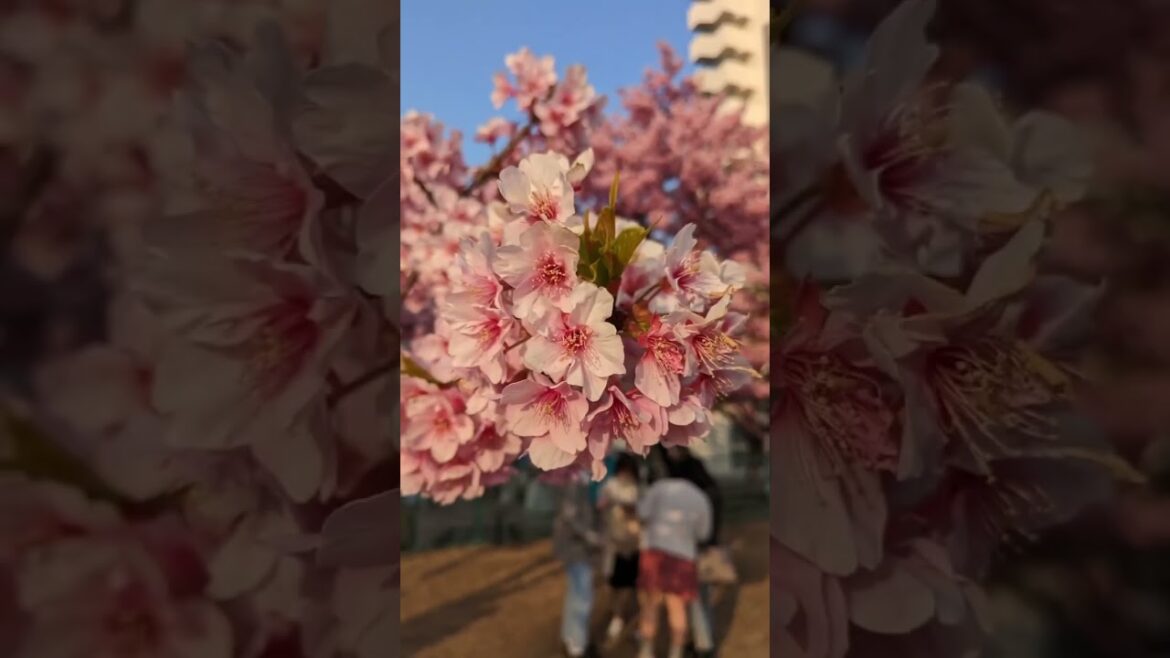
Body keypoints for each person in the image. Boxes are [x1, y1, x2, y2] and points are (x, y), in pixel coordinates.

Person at [635, 455, 713, 658]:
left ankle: (646, 651)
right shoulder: (700, 497)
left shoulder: (659, 488)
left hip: (654, 552)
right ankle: (675, 652)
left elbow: (642, 514)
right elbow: (703, 534)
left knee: (651, 605)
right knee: (677, 608)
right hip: (683, 556)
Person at [667, 447, 722, 658]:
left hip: (691, 551)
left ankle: (704, 646)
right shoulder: (711, 492)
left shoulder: (691, 497)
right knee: (703, 599)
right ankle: (703, 641)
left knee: (696, 601)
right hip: (706, 548)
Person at [552, 471, 602, 658]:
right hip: (576, 548)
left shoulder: (580, 480)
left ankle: (570, 640)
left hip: (577, 548)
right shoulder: (576, 481)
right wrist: (591, 536)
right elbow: (570, 516)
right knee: (582, 596)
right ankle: (577, 646)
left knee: (575, 594)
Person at [597, 452, 642, 648]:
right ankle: (617, 615)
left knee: (631, 585)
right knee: (613, 584)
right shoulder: (610, 486)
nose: (626, 475)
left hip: (633, 544)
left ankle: (624, 618)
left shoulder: (637, 488)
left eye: (629, 471)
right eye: (623, 471)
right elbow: (600, 506)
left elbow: (642, 511)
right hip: (614, 543)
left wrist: (632, 510)